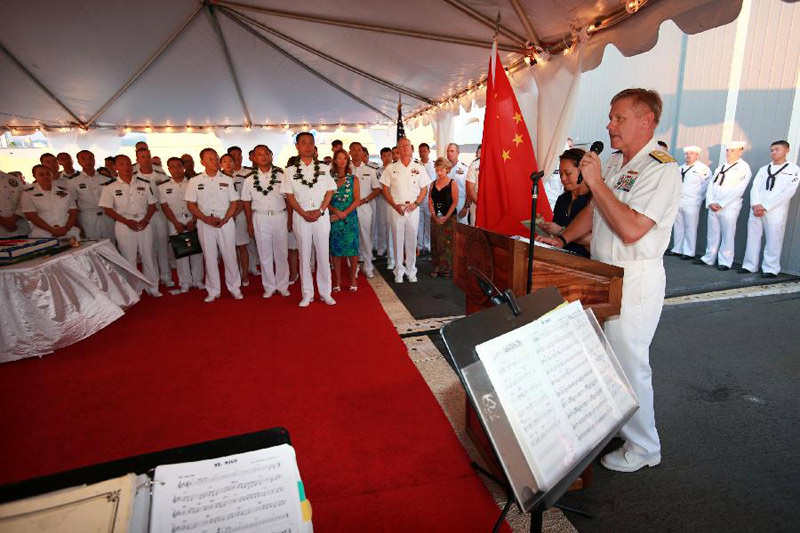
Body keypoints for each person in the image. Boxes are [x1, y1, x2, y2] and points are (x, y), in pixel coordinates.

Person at [537, 88, 681, 473]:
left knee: (630, 363)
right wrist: (563, 237)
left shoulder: (661, 168)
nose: (609, 124)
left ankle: (645, 446)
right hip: (602, 272)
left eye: (618, 118)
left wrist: (597, 183)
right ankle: (619, 423)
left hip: (634, 276)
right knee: (605, 358)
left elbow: (632, 228)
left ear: (645, 121)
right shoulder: (616, 162)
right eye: (610, 116)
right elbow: (597, 214)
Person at [281, 132, 337, 307]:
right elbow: (289, 196)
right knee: (304, 256)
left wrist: (320, 210)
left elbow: (330, 190)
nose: (307, 146)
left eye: (311, 142)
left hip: (321, 215)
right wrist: (303, 212)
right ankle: (307, 294)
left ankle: (325, 293)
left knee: (322, 254)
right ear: (297, 146)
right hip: (301, 216)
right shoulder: (289, 171)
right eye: (303, 143)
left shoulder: (324, 168)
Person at [98, 155, 161, 297]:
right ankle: (134, 290)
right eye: (121, 164)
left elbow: (152, 205)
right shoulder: (110, 187)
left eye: (128, 163)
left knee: (149, 256)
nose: (126, 167)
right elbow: (107, 209)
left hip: (144, 223)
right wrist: (127, 222)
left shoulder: (143, 184)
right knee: (129, 258)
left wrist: (145, 220)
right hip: (124, 224)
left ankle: (153, 287)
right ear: (115, 167)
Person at [185, 148, 243, 302]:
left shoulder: (227, 179)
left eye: (216, 158)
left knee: (230, 255)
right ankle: (213, 290)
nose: (215, 161)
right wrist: (204, 218)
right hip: (205, 222)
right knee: (210, 257)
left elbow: (234, 202)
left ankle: (234, 288)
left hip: (225, 222)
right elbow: (191, 204)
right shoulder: (195, 181)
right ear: (202, 162)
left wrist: (226, 218)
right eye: (210, 158)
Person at [740, 140, 800, 277]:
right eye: (772, 150)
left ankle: (770, 268)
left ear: (786, 150)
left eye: (777, 149)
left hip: (775, 210)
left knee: (773, 239)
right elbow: (755, 188)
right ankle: (750, 265)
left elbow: (788, 192)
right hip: (756, 208)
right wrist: (756, 204)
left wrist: (766, 206)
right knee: (753, 237)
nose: (773, 152)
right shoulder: (764, 169)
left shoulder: (793, 170)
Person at [242, 144, 291, 298]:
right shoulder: (249, 179)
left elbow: (289, 198)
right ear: (254, 158)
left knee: (282, 253)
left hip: (280, 216)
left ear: (271, 156)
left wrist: (290, 218)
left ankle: (282, 285)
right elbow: (246, 202)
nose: (263, 157)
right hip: (260, 217)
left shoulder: (281, 176)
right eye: (259, 154)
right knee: (264, 254)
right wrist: (249, 223)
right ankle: (269, 286)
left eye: (266, 153)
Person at [380, 137, 431, 283]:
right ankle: (398, 271)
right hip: (396, 208)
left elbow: (424, 189)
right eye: (401, 146)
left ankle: (411, 270)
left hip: (412, 208)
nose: (404, 148)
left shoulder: (419, 167)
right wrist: (394, 205)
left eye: (407, 145)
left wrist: (416, 204)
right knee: (397, 240)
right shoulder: (391, 168)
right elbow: (385, 189)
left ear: (411, 148)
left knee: (411, 239)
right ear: (397, 149)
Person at [695, 141, 752, 270]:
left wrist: (721, 203)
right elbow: (711, 185)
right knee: (712, 233)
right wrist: (710, 202)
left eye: (732, 151)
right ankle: (709, 257)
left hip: (729, 206)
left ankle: (725, 261)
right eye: (727, 150)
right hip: (714, 205)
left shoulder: (743, 168)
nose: (729, 153)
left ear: (740, 151)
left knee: (728, 234)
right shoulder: (721, 167)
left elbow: (739, 189)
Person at [159, 157, 204, 292]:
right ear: (168, 169)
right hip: (175, 221)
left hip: (193, 219)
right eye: (172, 166)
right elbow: (165, 207)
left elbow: (199, 203)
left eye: (179, 166)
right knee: (181, 252)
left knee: (196, 252)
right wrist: (175, 223)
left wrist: (194, 220)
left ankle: (198, 280)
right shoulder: (163, 186)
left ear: (183, 167)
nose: (176, 169)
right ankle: (185, 282)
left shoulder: (193, 183)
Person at [538, 148, 592, 257]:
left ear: (583, 171)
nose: (563, 178)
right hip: (560, 258)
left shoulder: (594, 201)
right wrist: (546, 229)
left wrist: (561, 232)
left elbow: (595, 241)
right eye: (560, 173)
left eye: (568, 173)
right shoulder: (562, 199)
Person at [134, 147, 173, 287]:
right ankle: (152, 278)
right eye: (142, 157)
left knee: (163, 245)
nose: (145, 159)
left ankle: (166, 276)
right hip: (144, 216)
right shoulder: (133, 178)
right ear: (137, 160)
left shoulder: (161, 175)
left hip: (160, 214)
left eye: (147, 156)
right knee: (148, 248)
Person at [669, 146, 712, 259]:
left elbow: (706, 186)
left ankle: (689, 251)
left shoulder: (702, 169)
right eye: (687, 153)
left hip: (692, 201)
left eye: (691, 153)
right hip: (679, 200)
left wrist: (698, 198)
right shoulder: (680, 168)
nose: (688, 156)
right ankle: (677, 249)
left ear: (697, 155)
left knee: (690, 227)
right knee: (678, 226)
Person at [65, 150, 116, 242]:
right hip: (88, 218)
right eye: (83, 159)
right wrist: (77, 224)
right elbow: (72, 204)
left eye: (90, 158)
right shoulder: (73, 181)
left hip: (107, 217)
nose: (87, 161)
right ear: (78, 161)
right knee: (92, 245)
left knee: (111, 244)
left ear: (94, 160)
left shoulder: (106, 178)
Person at [328, 149, 361, 291]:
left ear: (347, 161)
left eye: (344, 158)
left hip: (350, 218)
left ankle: (353, 279)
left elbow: (357, 200)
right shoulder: (329, 179)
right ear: (334, 161)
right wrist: (336, 211)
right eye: (339, 158)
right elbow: (325, 200)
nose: (342, 161)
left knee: (352, 250)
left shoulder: (354, 179)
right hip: (334, 218)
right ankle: (337, 281)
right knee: (336, 251)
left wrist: (344, 213)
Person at [20, 164, 80, 240]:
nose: (45, 177)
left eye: (48, 173)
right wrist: (52, 230)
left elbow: (73, 212)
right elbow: (32, 216)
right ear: (35, 176)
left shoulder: (65, 191)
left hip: (68, 232)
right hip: (44, 234)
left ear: (52, 174)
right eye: (41, 175)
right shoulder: (28, 194)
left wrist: (66, 228)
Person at [350, 142, 381, 278]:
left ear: (363, 152)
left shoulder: (370, 170)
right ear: (349, 152)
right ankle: (354, 266)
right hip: (348, 209)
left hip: (364, 207)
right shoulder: (345, 169)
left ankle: (368, 265)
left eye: (359, 150)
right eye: (354, 150)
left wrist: (364, 200)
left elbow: (376, 189)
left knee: (365, 237)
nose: (356, 152)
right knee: (351, 237)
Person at [221, 153, 252, 286]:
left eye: (230, 161)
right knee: (228, 248)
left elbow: (243, 199)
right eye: (224, 161)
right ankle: (233, 275)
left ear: (235, 163)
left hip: (239, 216)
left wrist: (233, 214)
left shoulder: (241, 179)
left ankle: (245, 274)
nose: (228, 164)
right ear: (220, 164)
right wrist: (227, 216)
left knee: (242, 247)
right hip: (223, 217)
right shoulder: (217, 179)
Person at [230, 146, 261, 277]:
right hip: (228, 213)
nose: (237, 157)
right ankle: (238, 269)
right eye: (234, 155)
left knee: (249, 240)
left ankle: (252, 265)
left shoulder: (249, 173)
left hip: (244, 211)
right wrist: (230, 213)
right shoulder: (224, 174)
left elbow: (250, 195)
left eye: (239, 154)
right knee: (234, 243)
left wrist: (238, 210)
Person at [428, 157, 458, 277]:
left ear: (447, 170)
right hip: (435, 218)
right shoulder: (433, 184)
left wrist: (446, 217)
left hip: (449, 218)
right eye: (437, 170)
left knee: (447, 242)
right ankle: (437, 265)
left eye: (441, 170)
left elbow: (455, 201)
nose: (439, 172)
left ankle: (447, 267)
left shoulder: (452, 183)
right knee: (435, 241)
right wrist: (434, 215)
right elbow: (430, 201)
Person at [374, 147, 395, 268]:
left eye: (389, 155)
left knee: (391, 226)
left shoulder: (395, 169)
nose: (387, 158)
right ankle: (382, 247)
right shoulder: (378, 171)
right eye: (384, 156)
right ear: (381, 157)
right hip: (382, 201)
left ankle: (391, 251)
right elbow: (379, 186)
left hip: (393, 201)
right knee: (381, 224)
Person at [0, 170, 30, 237]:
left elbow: (24, 200)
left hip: (19, 229)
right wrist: (3, 222)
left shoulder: (12, 179)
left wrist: (14, 218)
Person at [446, 143, 470, 224]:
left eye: (452, 151)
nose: (449, 153)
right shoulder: (444, 169)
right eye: (448, 151)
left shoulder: (465, 169)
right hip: (447, 205)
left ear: (458, 152)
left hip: (461, 204)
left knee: (461, 232)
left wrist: (466, 207)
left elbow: (469, 190)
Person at [416, 142, 434, 252]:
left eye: (424, 151)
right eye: (420, 151)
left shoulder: (434, 165)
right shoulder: (416, 165)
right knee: (419, 222)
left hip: (429, 198)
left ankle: (428, 245)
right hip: (418, 198)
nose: (422, 153)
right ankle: (420, 245)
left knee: (428, 223)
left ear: (428, 151)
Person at [465, 144, 481, 226]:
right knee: (475, 231)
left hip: (492, 205)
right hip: (476, 203)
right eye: (479, 152)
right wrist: (481, 205)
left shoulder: (496, 164)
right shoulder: (475, 165)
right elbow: (470, 189)